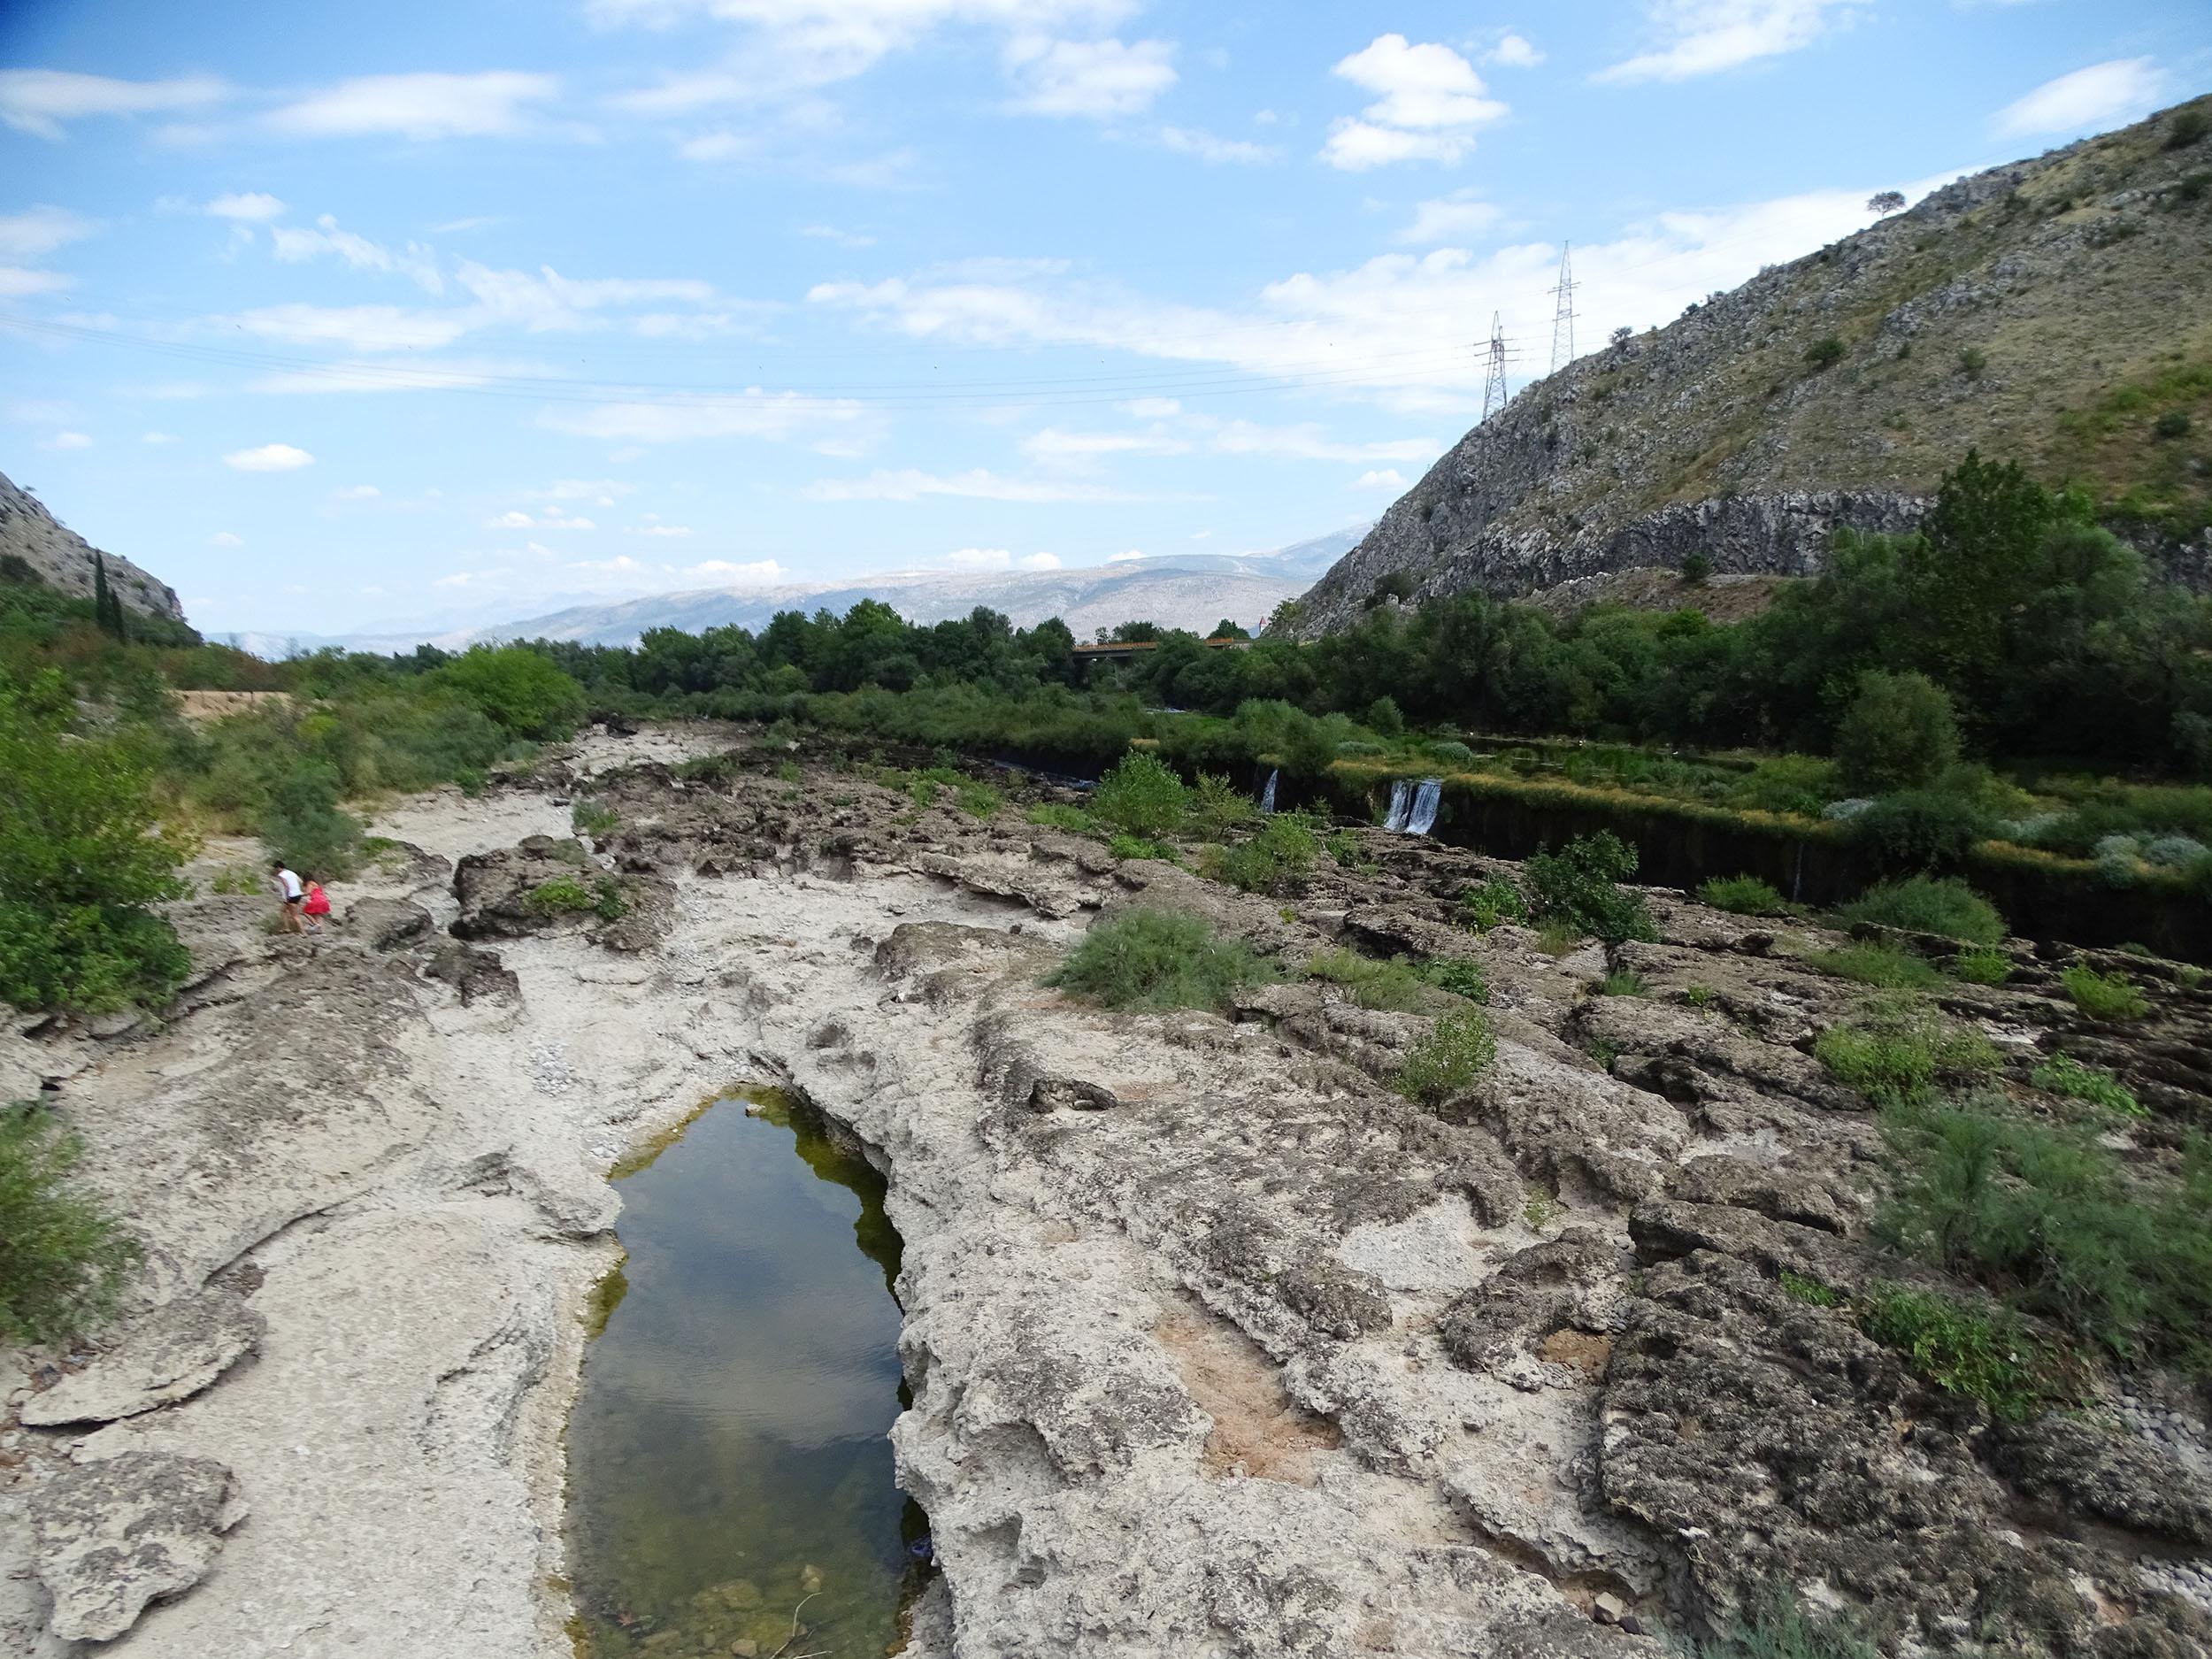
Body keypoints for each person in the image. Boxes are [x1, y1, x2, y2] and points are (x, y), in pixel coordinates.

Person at [273, 861, 304, 934]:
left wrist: (287, 897)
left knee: (294, 915)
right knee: (283, 910)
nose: (276, 870)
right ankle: (287, 927)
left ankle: (303, 932)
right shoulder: (292, 873)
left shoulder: (281, 875)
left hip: (291, 896)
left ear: (278, 867)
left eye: (276, 868)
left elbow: (286, 886)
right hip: (298, 894)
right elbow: (300, 882)